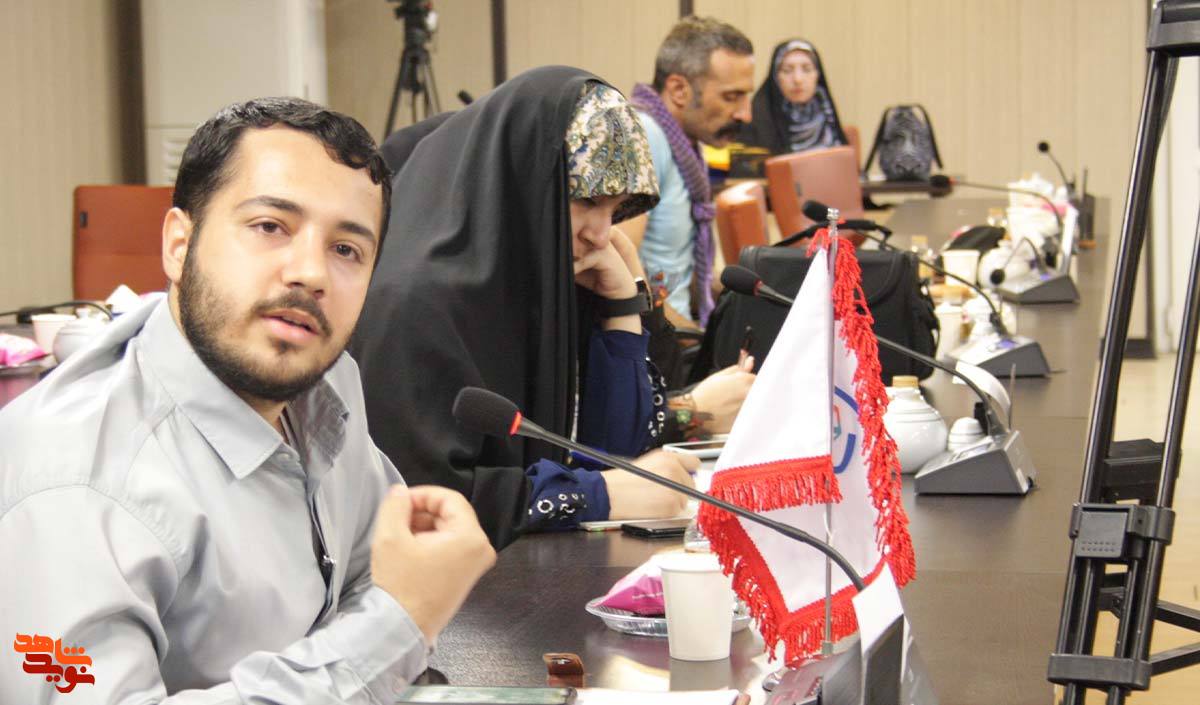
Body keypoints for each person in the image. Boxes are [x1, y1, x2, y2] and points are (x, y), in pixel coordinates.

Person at [0, 97, 496, 704]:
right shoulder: (75, 486)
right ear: (179, 244)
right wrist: (399, 624)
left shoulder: (325, 383)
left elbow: (372, 579)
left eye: (346, 249)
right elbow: (389, 614)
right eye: (270, 226)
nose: (311, 273)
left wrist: (401, 608)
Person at [352, 67, 700, 550]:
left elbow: (620, 453)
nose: (601, 234)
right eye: (588, 201)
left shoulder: (551, 277)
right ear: (521, 184)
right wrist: (591, 495)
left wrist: (622, 307)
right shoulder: (413, 305)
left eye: (616, 209)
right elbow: (419, 503)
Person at [620, 16, 755, 328]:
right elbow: (621, 275)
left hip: (678, 329)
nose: (745, 114)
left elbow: (679, 266)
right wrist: (696, 340)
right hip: (658, 343)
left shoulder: (686, 144)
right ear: (679, 89)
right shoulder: (644, 136)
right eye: (731, 96)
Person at [738, 38, 848, 155]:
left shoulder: (826, 112)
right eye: (787, 71)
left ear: (818, 75)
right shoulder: (756, 119)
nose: (797, 79)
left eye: (807, 69)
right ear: (775, 77)